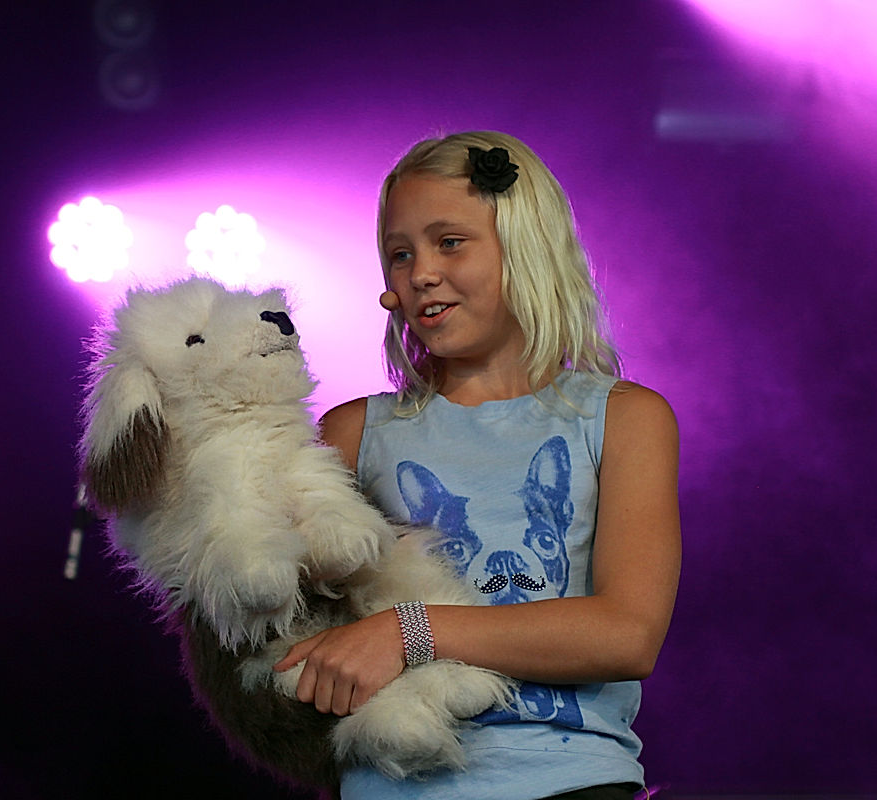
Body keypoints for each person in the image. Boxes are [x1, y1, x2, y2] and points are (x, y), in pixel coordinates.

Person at [273, 131, 681, 800]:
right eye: (399, 255)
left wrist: (410, 632)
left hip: (573, 785)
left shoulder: (626, 419)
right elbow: (293, 645)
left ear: (526, 245)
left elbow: (627, 634)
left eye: (449, 242)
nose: (421, 272)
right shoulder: (352, 433)